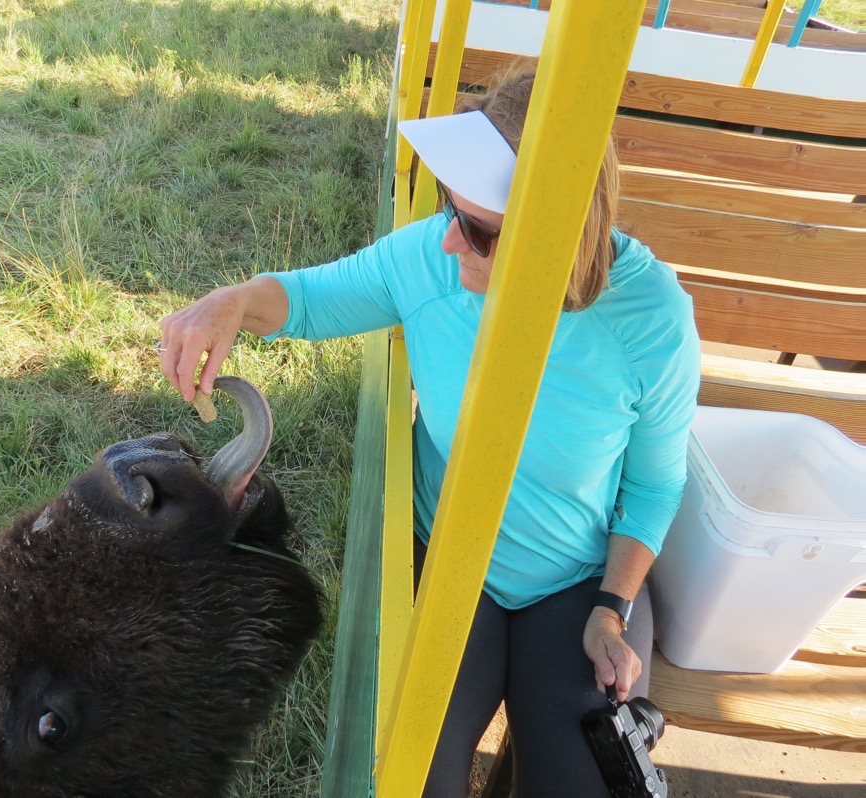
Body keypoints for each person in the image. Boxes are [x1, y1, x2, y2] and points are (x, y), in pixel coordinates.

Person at [157, 67, 700, 797]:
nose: (448, 241)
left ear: (557, 236)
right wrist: (228, 303)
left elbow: (656, 482)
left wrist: (612, 609)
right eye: (450, 207)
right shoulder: (431, 264)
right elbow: (311, 297)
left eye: (477, 229)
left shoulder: (651, 318)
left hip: (577, 584)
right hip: (445, 557)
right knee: (406, 780)